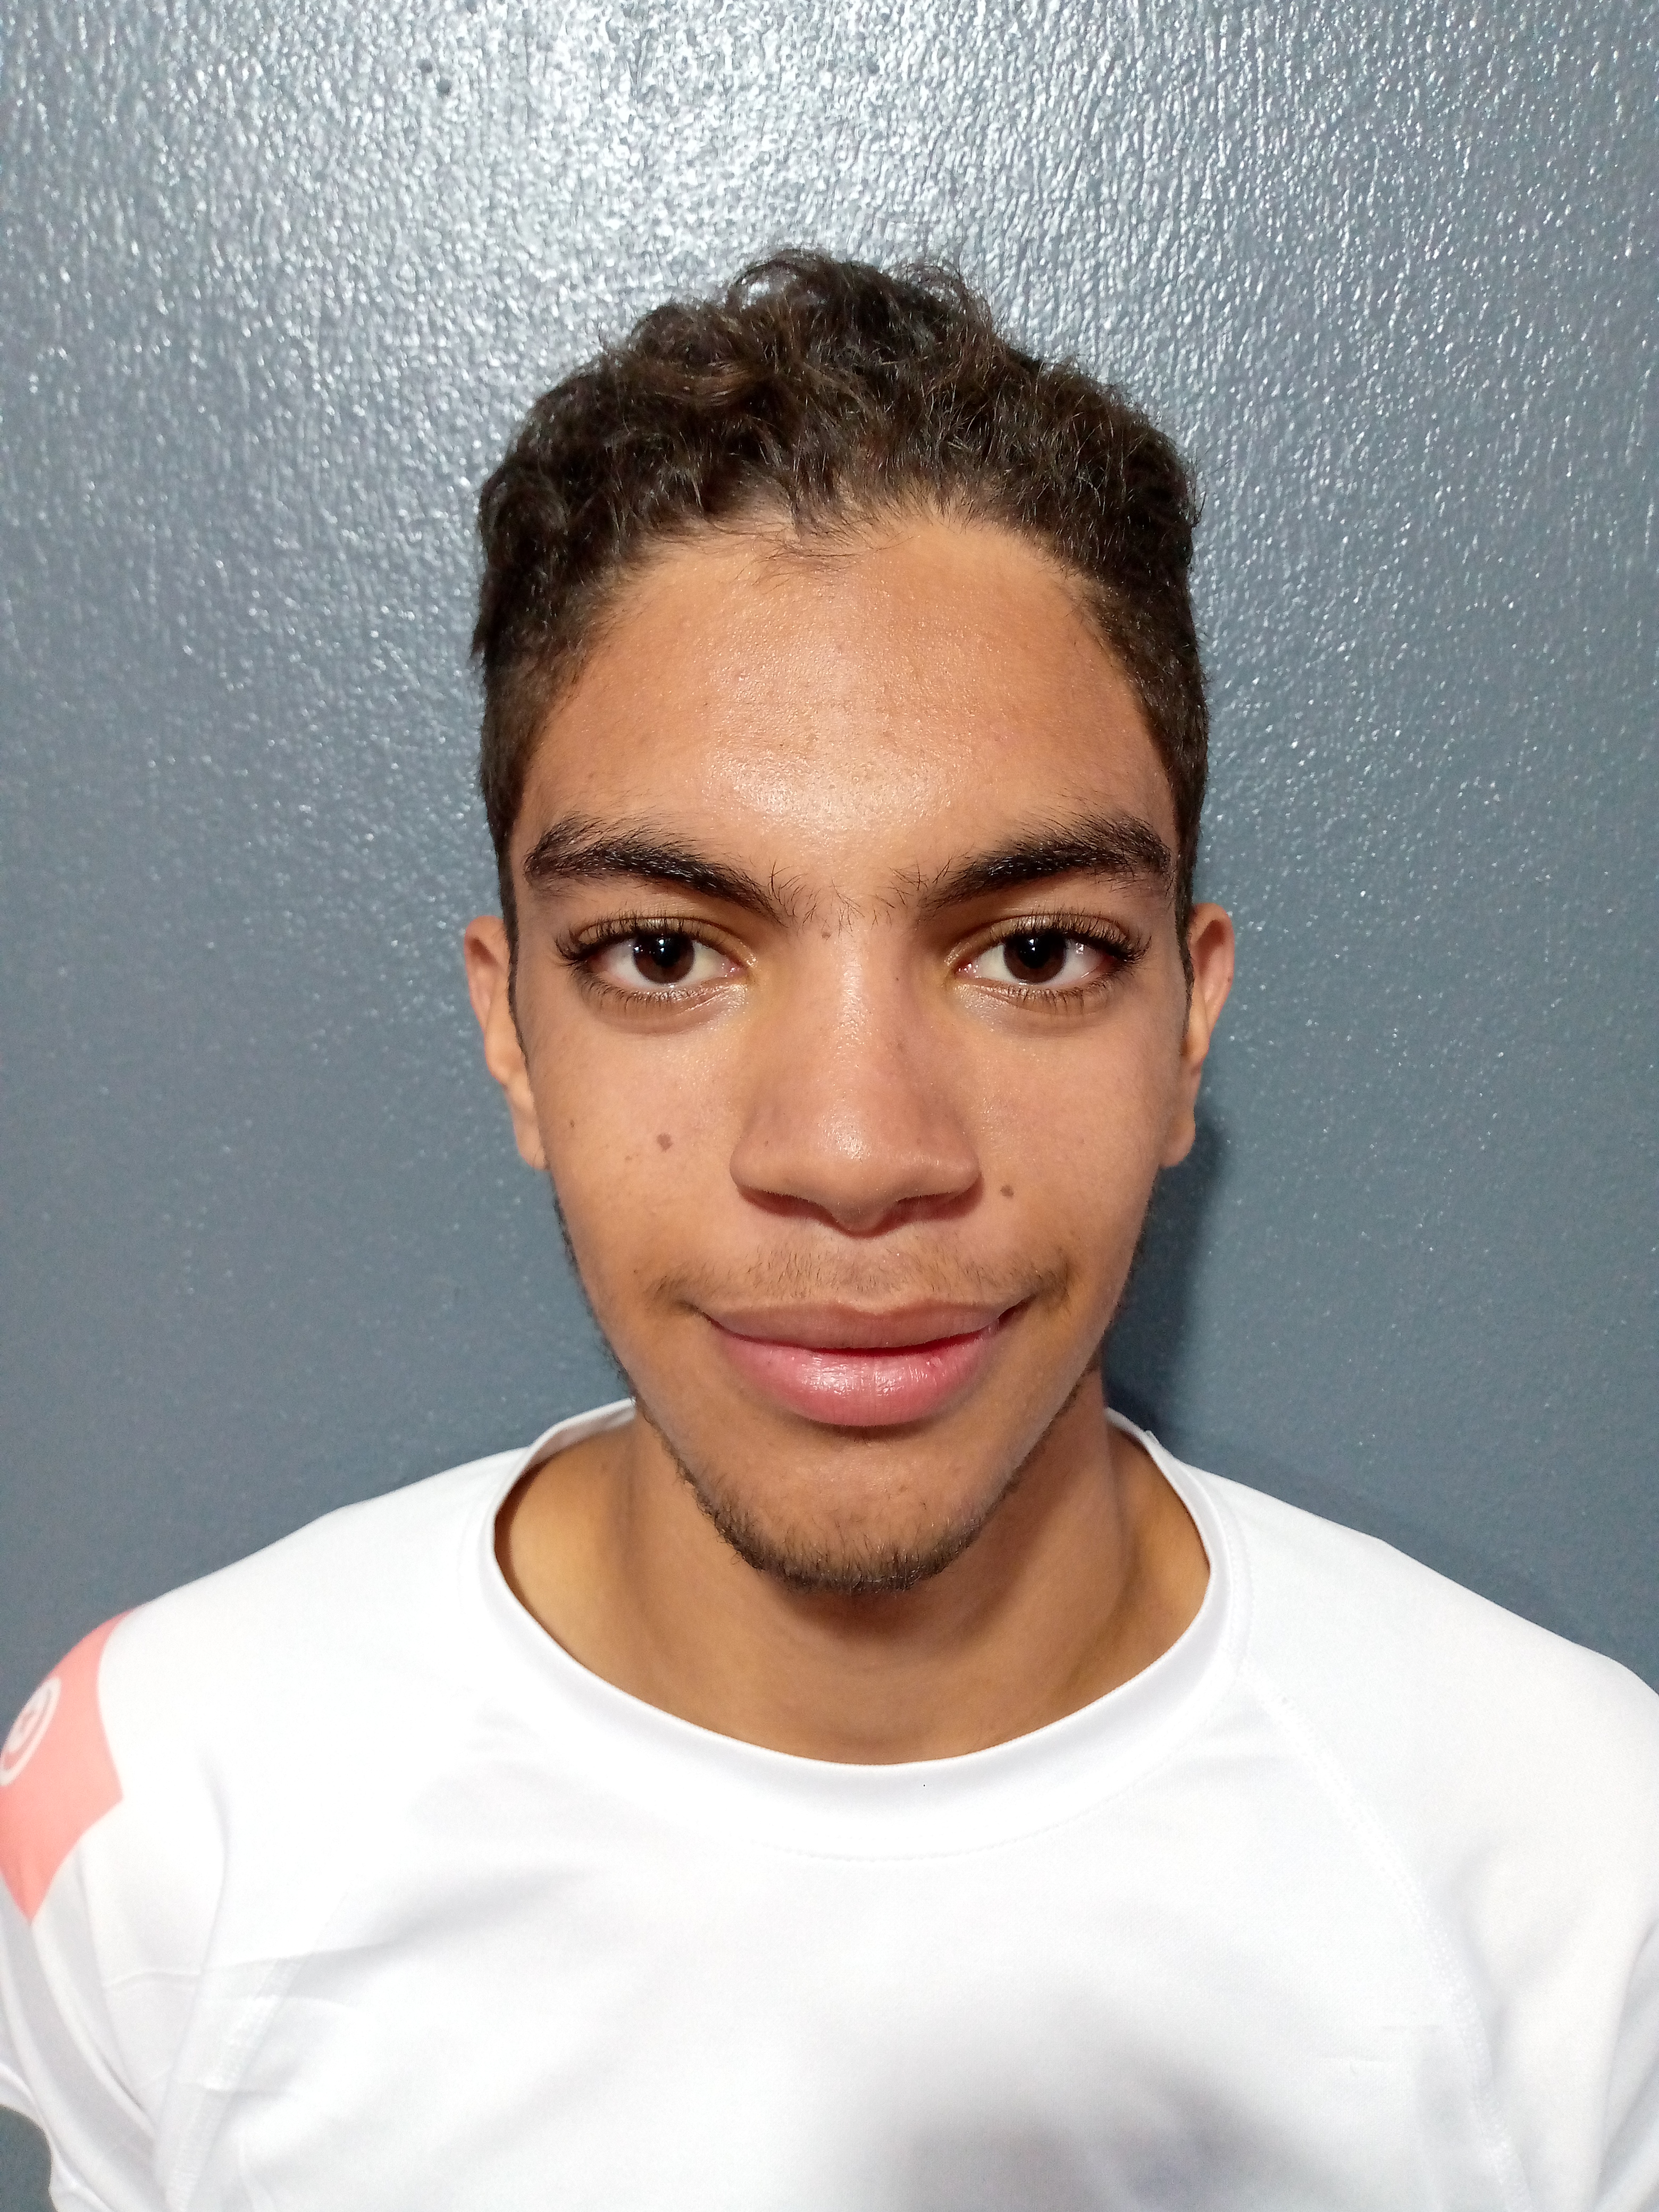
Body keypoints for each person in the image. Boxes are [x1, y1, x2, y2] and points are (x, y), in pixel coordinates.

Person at [1, 253, 1654, 2212]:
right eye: (663, 952)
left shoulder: (1585, 1871)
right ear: (511, 1033)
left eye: (1034, 953)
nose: (859, 1154)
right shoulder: (160, 1804)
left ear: (1188, 1023)